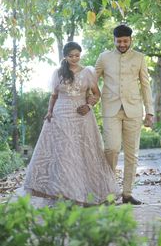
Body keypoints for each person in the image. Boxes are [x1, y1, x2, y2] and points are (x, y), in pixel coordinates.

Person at [24, 41, 119, 206]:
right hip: (60, 115)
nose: (75, 58)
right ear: (65, 56)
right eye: (71, 56)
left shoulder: (88, 72)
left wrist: (89, 106)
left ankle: (86, 193)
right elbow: (54, 95)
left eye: (77, 55)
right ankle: (66, 194)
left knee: (83, 153)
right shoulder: (58, 73)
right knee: (64, 154)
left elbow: (96, 93)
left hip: (81, 116)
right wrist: (49, 111)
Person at [89, 24, 154, 205]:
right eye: (119, 41)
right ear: (114, 40)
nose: (122, 44)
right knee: (111, 148)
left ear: (131, 40)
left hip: (133, 110)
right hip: (111, 110)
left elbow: (146, 85)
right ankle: (109, 192)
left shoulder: (140, 58)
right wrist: (87, 100)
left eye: (126, 41)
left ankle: (127, 193)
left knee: (132, 154)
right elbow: (92, 81)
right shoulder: (104, 57)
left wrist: (149, 111)